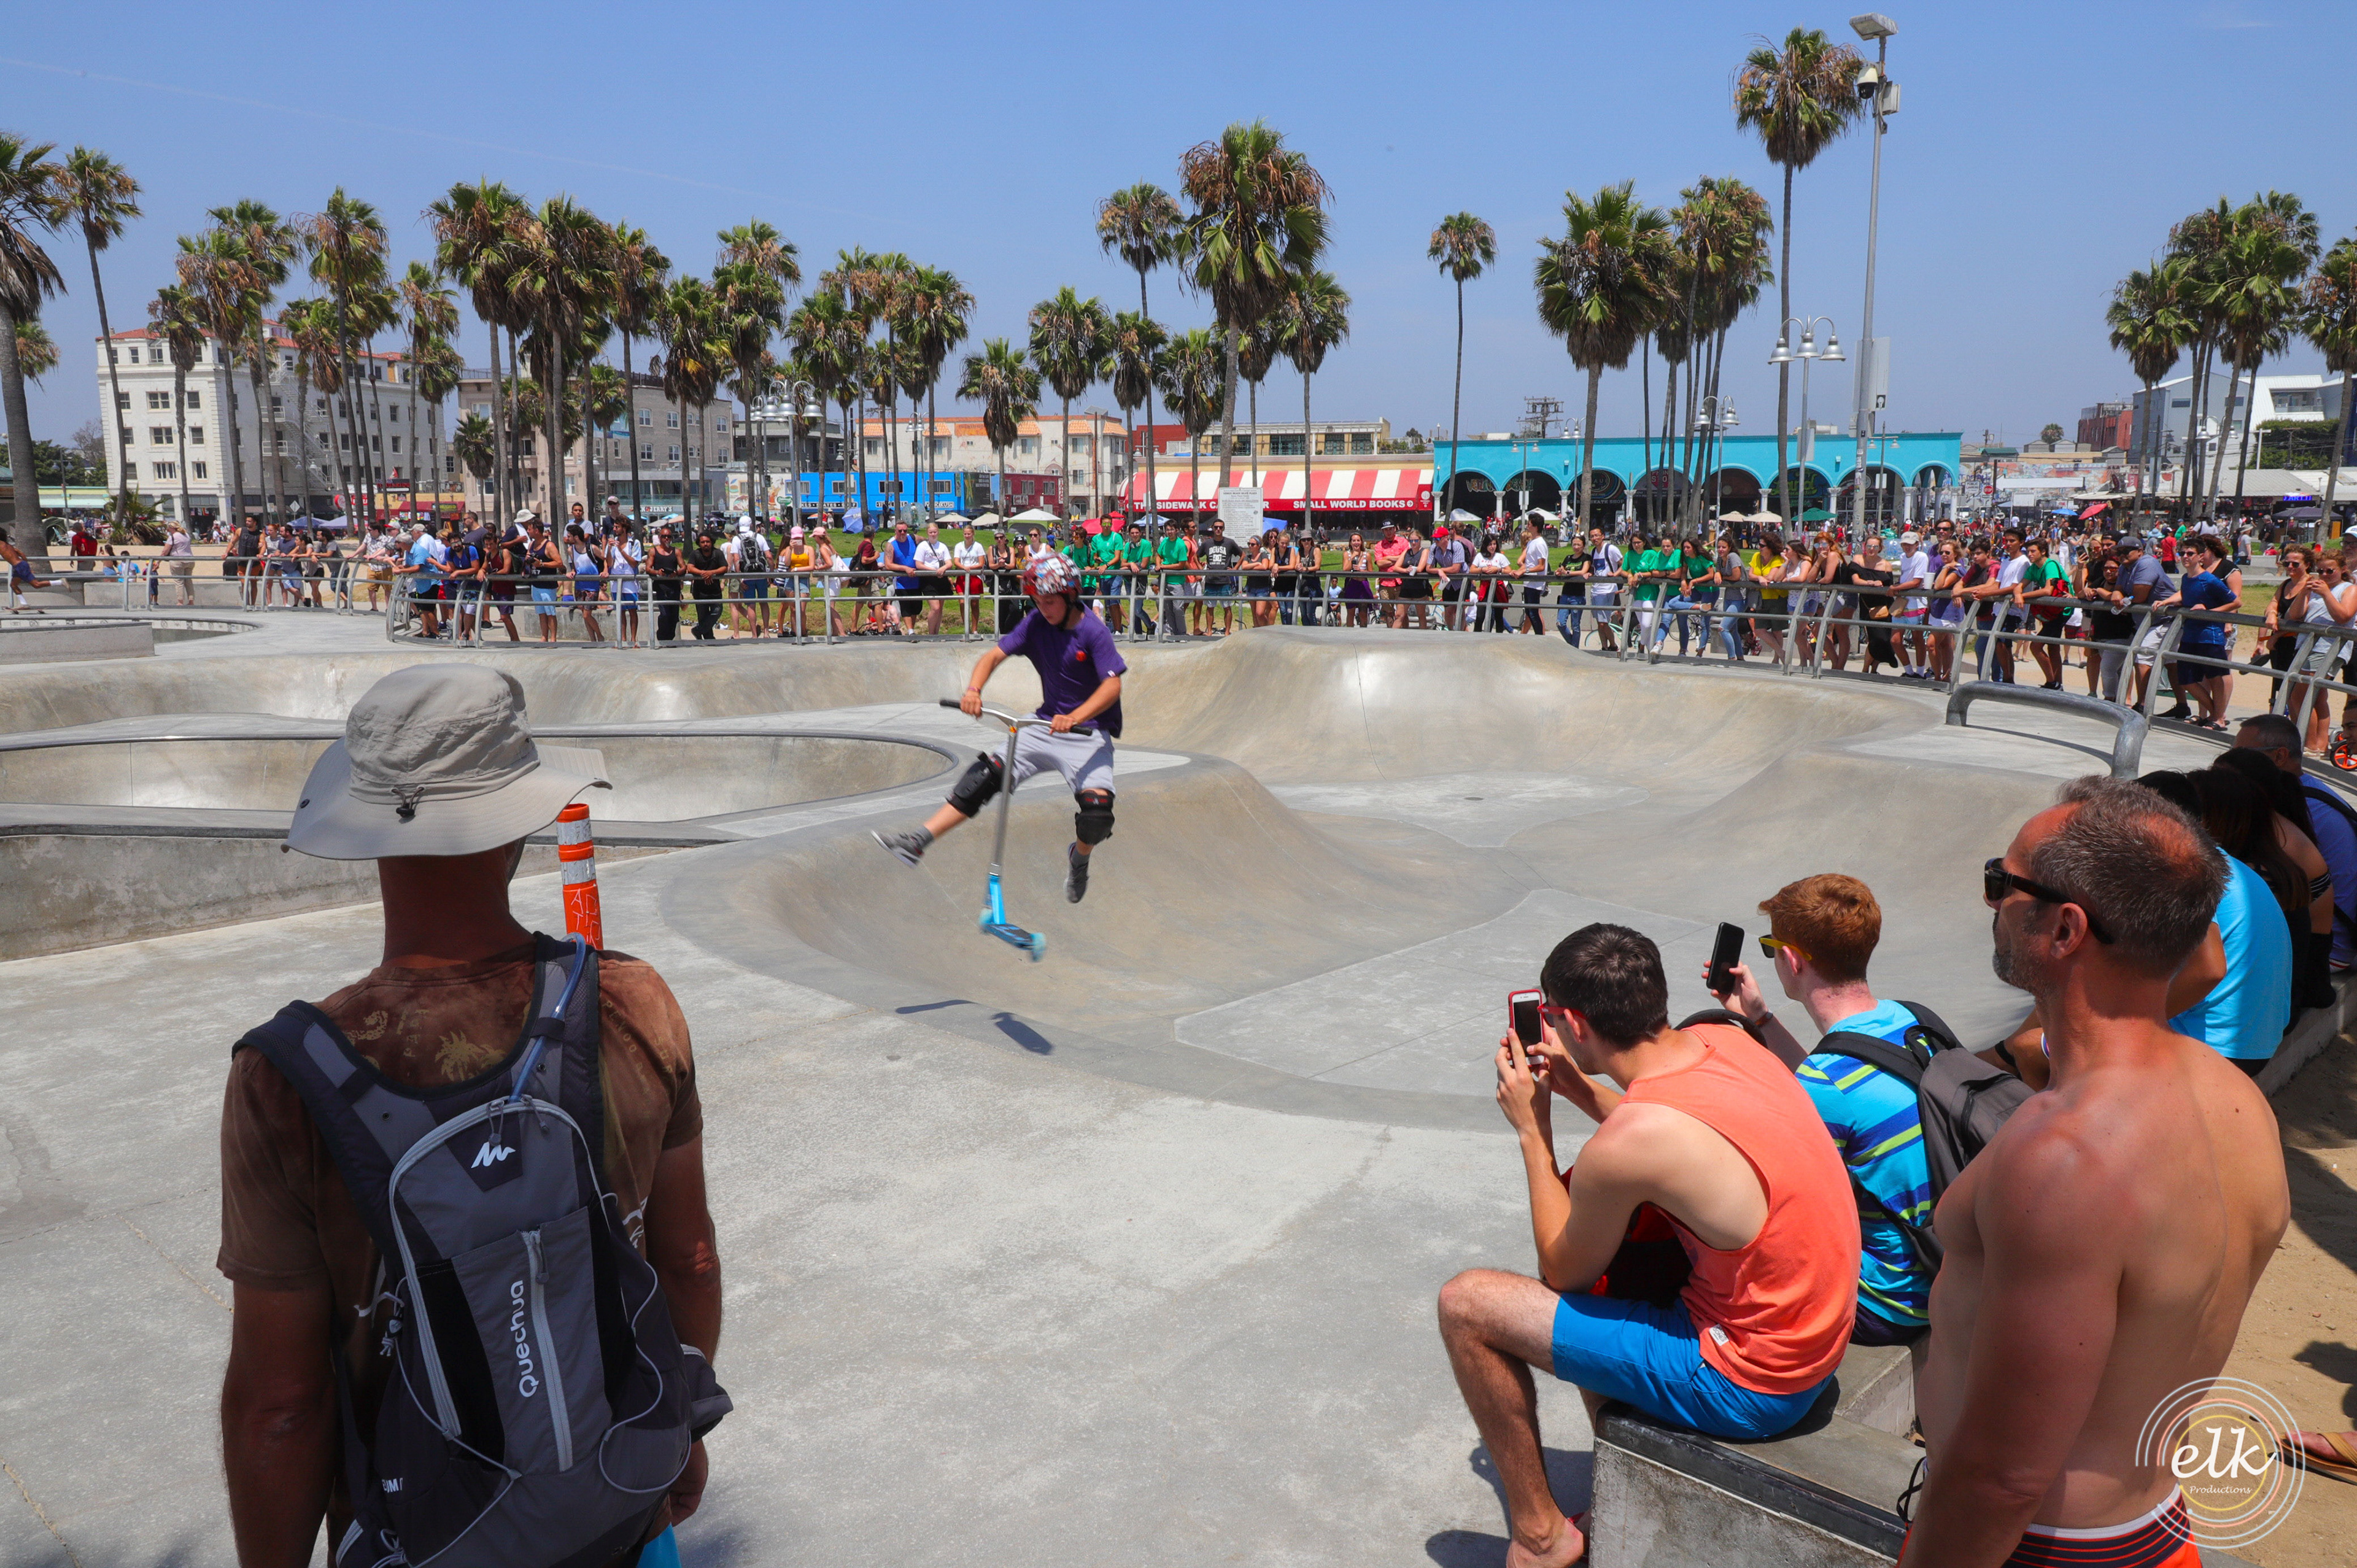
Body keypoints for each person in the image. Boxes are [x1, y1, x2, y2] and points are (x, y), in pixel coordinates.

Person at [219, 664, 720, 1568]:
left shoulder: (284, 1079)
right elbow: (686, 1256)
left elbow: (282, 1402)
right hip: (619, 1508)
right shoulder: (633, 1004)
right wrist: (678, 1428)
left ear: (367, 828)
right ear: (519, 821)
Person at [1901, 776, 2286, 1568]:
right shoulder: (2239, 1102)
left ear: (2066, 928)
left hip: (2037, 1547)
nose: (1992, 902)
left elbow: (2002, 1476)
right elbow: (2197, 951)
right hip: (2154, 1528)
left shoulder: (2066, 1159)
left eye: (2000, 883)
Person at [1436, 923, 1860, 1568]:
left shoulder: (1630, 1144)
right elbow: (1673, 1130)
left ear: (1572, 1023)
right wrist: (1579, 1089)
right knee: (1638, 1235)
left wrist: (1534, 1128)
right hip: (1820, 1336)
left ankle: (1542, 1539)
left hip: (1754, 1382)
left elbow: (1564, 1268)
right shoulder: (1724, 1038)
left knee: (1467, 1305)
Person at [1705, 875, 1940, 1345]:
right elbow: (1828, 1085)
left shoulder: (1827, 1083)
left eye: (1773, 948)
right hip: (1945, 1269)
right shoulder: (1911, 1021)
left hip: (1888, 1302)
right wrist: (1760, 1018)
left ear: (1792, 959)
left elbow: (1763, 1200)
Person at [873, 554, 1124, 905]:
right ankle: (917, 841)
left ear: (1070, 596)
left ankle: (1079, 859)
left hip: (1088, 733)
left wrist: (1078, 716)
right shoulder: (1037, 622)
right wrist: (974, 690)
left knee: (1097, 814)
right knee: (985, 776)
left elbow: (1112, 686)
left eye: (1050, 601)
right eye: (1037, 601)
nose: (1044, 608)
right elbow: (992, 657)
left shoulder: (1093, 631)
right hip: (1043, 725)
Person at [1198, 522, 1240, 636]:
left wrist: (1235, 569)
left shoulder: (1229, 543)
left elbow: (1242, 555)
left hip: (1225, 581)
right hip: (1210, 581)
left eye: (1220, 527)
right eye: (1216, 527)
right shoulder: (1207, 543)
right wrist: (1200, 569)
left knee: (1227, 607)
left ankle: (1227, 632)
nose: (1218, 529)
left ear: (1224, 529)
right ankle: (1210, 631)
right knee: (1210, 607)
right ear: (1213, 528)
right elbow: (1196, 556)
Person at [685, 528, 727, 639]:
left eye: (708, 542)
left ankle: (698, 630)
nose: (705, 544)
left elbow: (724, 567)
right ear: (699, 543)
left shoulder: (718, 553)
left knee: (717, 611)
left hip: (715, 591)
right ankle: (709, 637)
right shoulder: (695, 554)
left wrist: (712, 573)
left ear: (712, 542)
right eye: (703, 542)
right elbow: (690, 567)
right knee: (702, 616)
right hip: (700, 591)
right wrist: (703, 573)